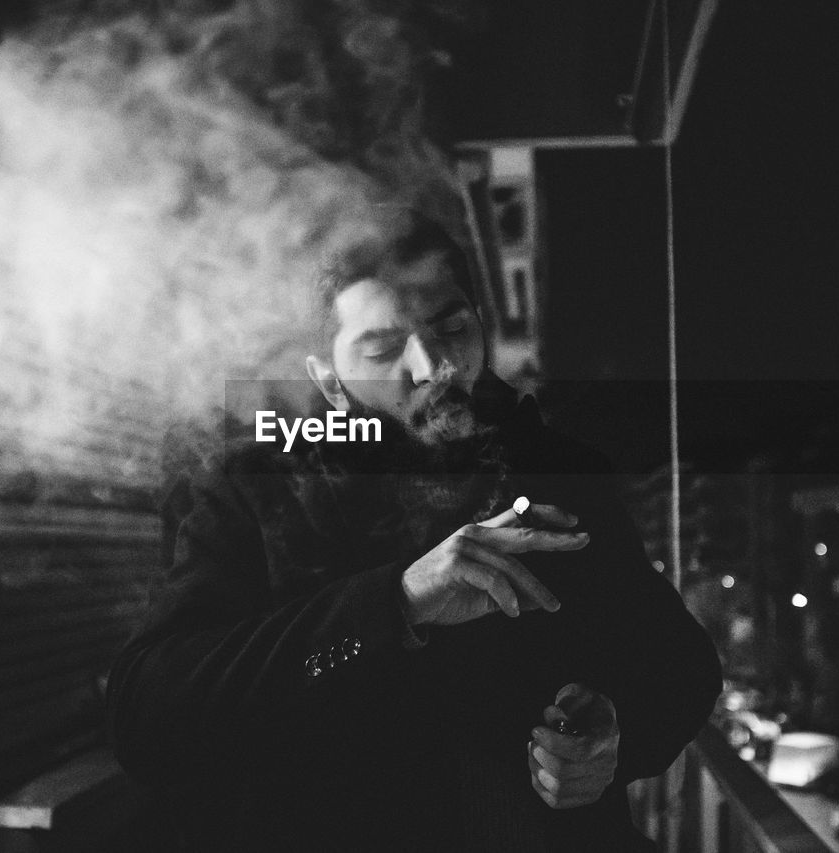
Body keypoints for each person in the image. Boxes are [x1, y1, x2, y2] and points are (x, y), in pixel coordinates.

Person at [107, 208, 721, 851]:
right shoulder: (254, 487)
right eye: (382, 347)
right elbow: (149, 717)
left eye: (451, 327)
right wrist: (393, 602)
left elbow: (681, 667)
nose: (434, 366)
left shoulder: (558, 472)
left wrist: (615, 736)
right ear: (328, 379)